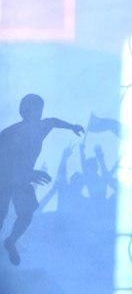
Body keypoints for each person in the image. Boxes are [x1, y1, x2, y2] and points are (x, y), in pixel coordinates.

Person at [0, 93, 84, 265]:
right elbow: (6, 163)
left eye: (40, 109)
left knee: (26, 213)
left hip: (22, 178)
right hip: (4, 178)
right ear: (24, 111)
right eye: (34, 109)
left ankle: (10, 241)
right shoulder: (10, 134)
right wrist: (30, 174)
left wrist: (72, 126)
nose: (38, 113)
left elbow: (53, 121)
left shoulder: (41, 127)